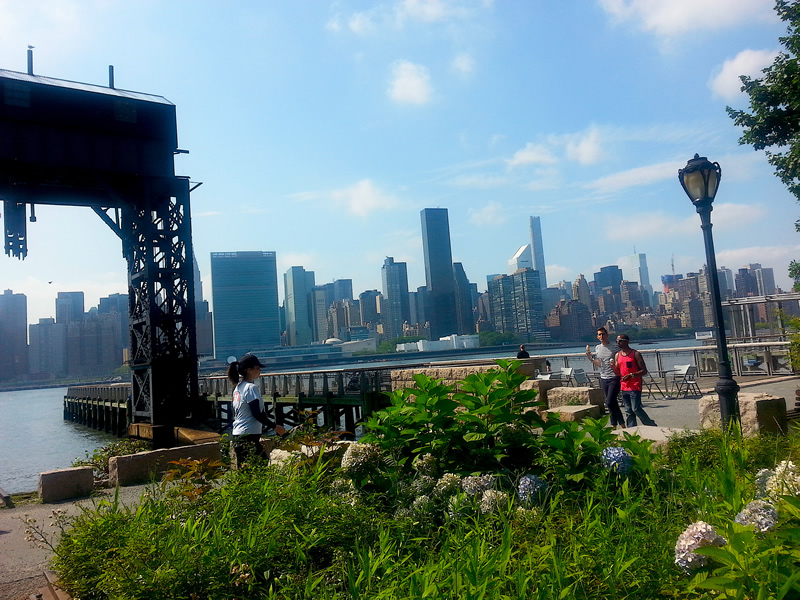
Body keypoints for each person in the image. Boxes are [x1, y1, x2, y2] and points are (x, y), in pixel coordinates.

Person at [228, 354, 285, 464]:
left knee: (246, 470)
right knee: (261, 466)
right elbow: (256, 413)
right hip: (249, 435)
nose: (260, 371)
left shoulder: (238, 388)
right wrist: (274, 426)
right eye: (257, 368)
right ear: (249, 370)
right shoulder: (251, 388)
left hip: (238, 433)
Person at [615, 334, 658, 428]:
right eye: (617, 341)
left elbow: (644, 371)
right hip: (624, 386)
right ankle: (632, 430)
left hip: (635, 385)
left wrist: (632, 375)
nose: (618, 343)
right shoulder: (617, 355)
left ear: (627, 341)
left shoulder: (635, 354)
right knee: (628, 410)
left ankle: (650, 424)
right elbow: (618, 371)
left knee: (636, 408)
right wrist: (612, 367)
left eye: (620, 340)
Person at [585, 327, 624, 428]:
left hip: (614, 377)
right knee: (612, 402)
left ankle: (614, 424)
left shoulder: (615, 347)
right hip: (603, 377)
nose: (601, 336)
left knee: (609, 401)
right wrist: (590, 359)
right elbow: (600, 364)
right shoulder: (598, 348)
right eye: (599, 335)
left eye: (603, 334)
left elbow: (622, 358)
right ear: (597, 337)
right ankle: (620, 424)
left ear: (607, 335)